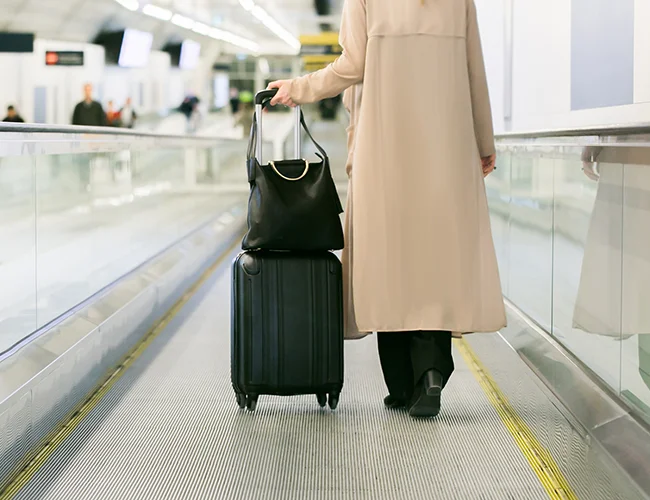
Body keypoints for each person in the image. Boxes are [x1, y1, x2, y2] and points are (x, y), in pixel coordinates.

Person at [268, 0, 506, 418]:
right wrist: (483, 142)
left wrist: (298, 88)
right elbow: (474, 72)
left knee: (390, 262)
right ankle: (430, 371)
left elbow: (352, 64)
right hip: (446, 149)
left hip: (384, 145)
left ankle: (401, 385)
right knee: (434, 261)